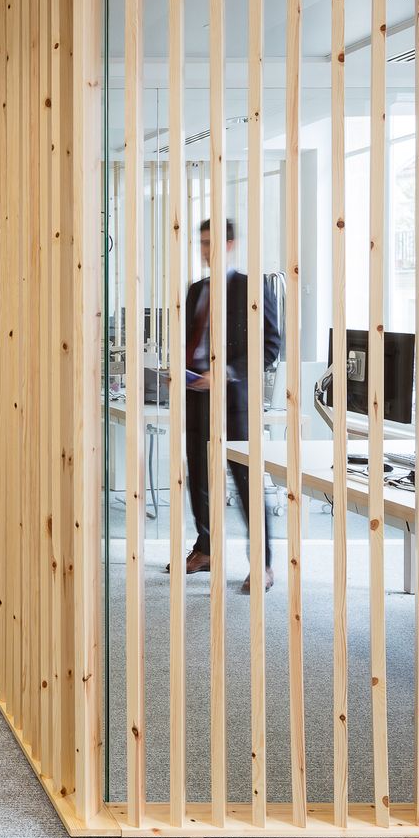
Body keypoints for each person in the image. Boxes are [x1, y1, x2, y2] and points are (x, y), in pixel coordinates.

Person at [168, 218, 283, 593]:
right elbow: (190, 342)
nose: (205, 250)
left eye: (211, 242)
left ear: (230, 245)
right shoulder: (195, 290)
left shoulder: (251, 288)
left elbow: (270, 347)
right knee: (199, 477)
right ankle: (206, 549)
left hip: (233, 400)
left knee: (246, 481)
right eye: (201, 243)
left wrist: (225, 372)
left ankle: (262, 564)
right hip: (195, 396)